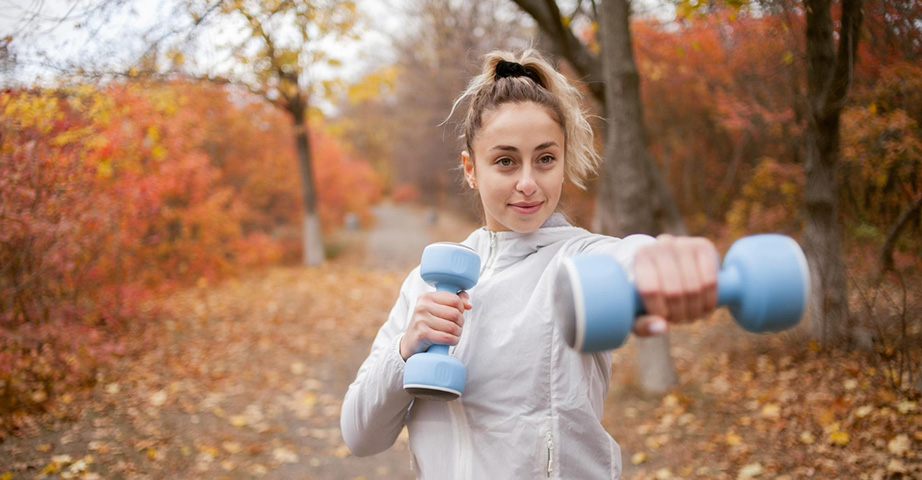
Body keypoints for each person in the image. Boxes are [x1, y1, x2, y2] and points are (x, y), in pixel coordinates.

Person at [341, 49, 719, 479]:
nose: (527, 183)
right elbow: (360, 436)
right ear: (470, 169)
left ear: (562, 163)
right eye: (505, 161)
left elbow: (629, 259)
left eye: (545, 159)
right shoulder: (423, 287)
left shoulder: (578, 263)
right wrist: (405, 349)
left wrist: (662, 262)